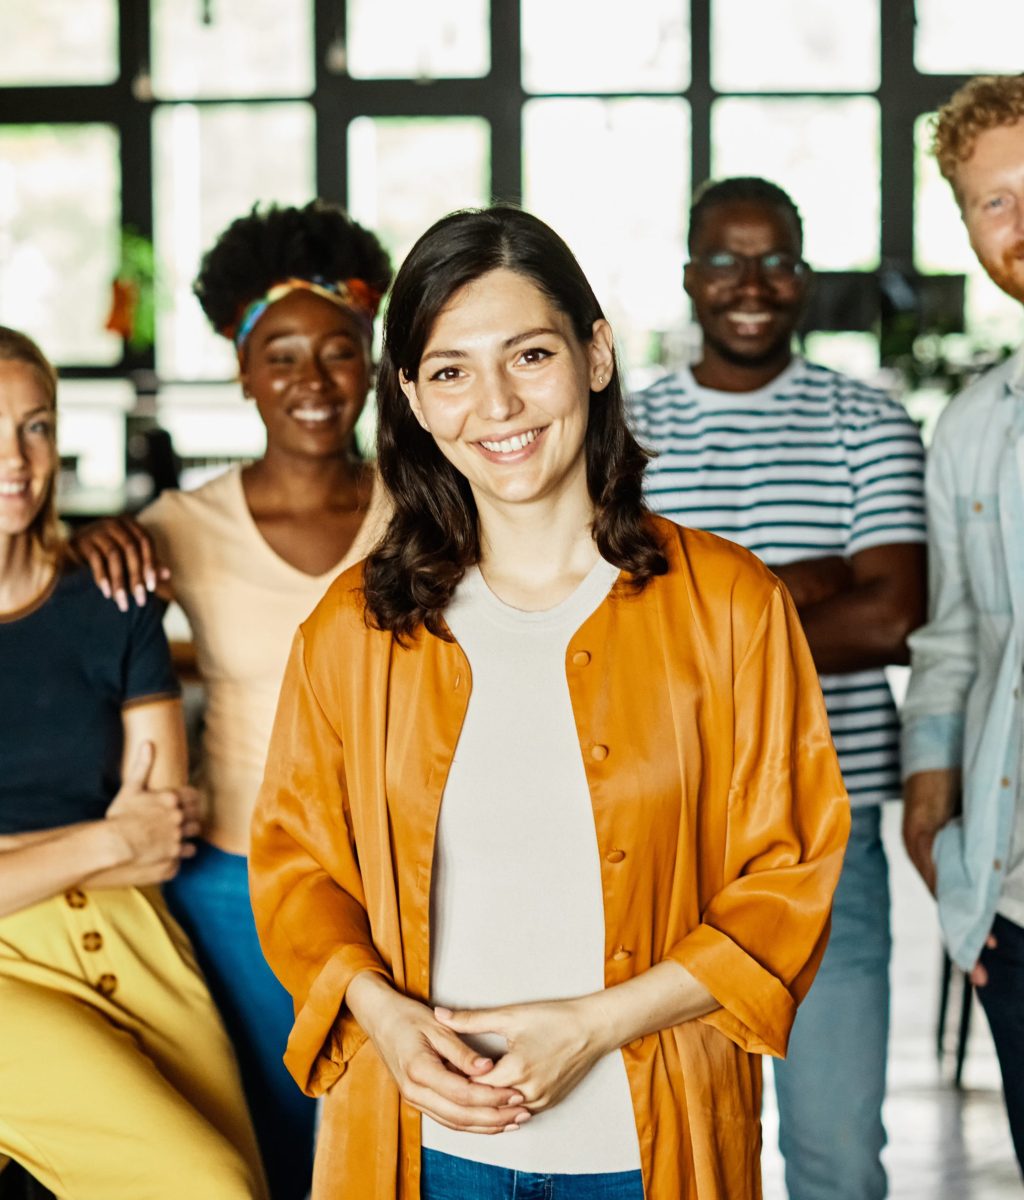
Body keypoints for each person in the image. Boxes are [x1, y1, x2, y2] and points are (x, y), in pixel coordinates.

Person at [249, 205, 850, 1200]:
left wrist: (595, 1024)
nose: (495, 405)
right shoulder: (352, 628)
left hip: (645, 1148)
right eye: (449, 371)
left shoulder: (731, 605)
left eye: (528, 355)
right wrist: (383, 1019)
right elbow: (297, 867)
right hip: (417, 1146)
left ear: (596, 355)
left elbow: (788, 874)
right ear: (410, 396)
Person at [72, 200, 393, 1200]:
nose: (311, 380)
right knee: (268, 1133)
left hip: (401, 881)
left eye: (338, 351)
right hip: (236, 886)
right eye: (282, 354)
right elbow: (67, 638)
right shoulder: (171, 527)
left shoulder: (430, 511)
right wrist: (84, 549)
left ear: (374, 362)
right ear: (244, 370)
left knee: (390, 1134)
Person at [628, 177, 928, 1200]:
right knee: (680, 1148)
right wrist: (809, 586)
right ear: (688, 279)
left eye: (776, 260)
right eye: (725, 260)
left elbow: (892, 617)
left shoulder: (868, 422)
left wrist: (701, 615)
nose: (751, 284)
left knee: (836, 1156)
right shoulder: (619, 432)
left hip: (824, 829)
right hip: (659, 833)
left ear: (803, 278)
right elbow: (609, 634)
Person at [0, 326, 267, 1200]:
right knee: (206, 1185)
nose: (16, 458)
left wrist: (90, 849)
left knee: (246, 1176)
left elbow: (157, 839)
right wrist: (102, 841)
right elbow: (128, 835)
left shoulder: (112, 597)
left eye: (36, 426)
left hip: (133, 935)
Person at [902, 73, 1024, 1177]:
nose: (1019, 224)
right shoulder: (972, 425)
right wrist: (930, 817)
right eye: (993, 202)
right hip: (1013, 893)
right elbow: (953, 637)